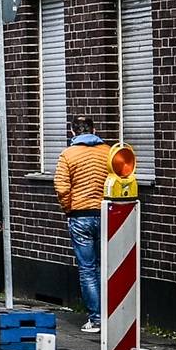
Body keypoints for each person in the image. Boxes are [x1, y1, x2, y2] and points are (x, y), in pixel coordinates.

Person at [52, 117, 114, 334]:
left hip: (80, 216)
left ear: (72, 132)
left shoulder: (68, 154)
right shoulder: (108, 152)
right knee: (104, 266)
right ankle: (111, 315)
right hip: (106, 214)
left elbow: (61, 187)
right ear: (94, 130)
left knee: (87, 269)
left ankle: (96, 319)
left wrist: (68, 209)